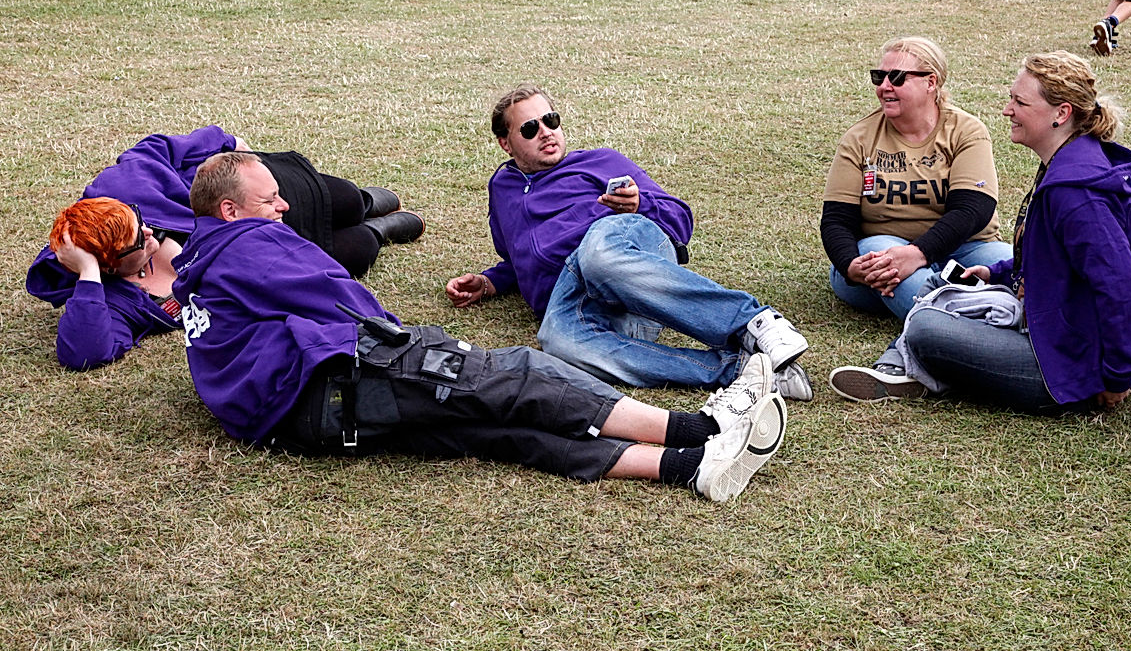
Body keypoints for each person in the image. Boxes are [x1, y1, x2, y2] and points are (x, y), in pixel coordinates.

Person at [173, 152, 788, 502]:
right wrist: (404, 341)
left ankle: (692, 468)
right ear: (231, 210)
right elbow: (347, 302)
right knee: (520, 374)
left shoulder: (205, 265)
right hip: (335, 389)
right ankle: (705, 426)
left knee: (498, 431)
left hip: (301, 425)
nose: (282, 207)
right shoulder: (249, 243)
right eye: (270, 198)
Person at [444, 84, 812, 400]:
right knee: (557, 341)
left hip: (623, 247)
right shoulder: (502, 189)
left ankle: (755, 322)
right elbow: (521, 257)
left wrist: (640, 203)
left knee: (598, 255)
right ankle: (745, 372)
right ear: (505, 143)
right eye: (529, 127)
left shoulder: (601, 162)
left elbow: (679, 221)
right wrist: (491, 281)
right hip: (584, 301)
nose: (546, 132)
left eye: (551, 120)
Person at [830, 52, 1131, 413]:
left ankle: (908, 367)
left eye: (1020, 101)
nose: (1007, 110)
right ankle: (917, 364)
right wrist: (995, 273)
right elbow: (1056, 258)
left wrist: (1118, 377)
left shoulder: (1075, 192)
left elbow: (1119, 287)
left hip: (1065, 371)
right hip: (1060, 334)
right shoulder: (1072, 161)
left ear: (1061, 114)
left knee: (925, 326)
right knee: (947, 290)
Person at [26, 125, 423, 370]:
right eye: (138, 240)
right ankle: (382, 230)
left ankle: (366, 203)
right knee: (358, 250)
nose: (149, 233)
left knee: (346, 200)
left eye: (141, 221)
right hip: (263, 255)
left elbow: (157, 149)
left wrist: (235, 151)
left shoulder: (118, 190)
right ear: (112, 265)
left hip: (244, 207)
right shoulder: (116, 299)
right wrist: (88, 273)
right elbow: (83, 353)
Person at [821, 36, 1013, 320]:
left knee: (1021, 266)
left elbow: (973, 209)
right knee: (880, 254)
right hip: (883, 255)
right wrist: (850, 266)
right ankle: (957, 324)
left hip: (964, 249)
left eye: (897, 78)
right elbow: (837, 219)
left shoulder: (966, 131)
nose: (885, 86)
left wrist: (919, 253)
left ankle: (948, 308)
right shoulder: (859, 138)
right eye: (879, 77)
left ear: (931, 82)